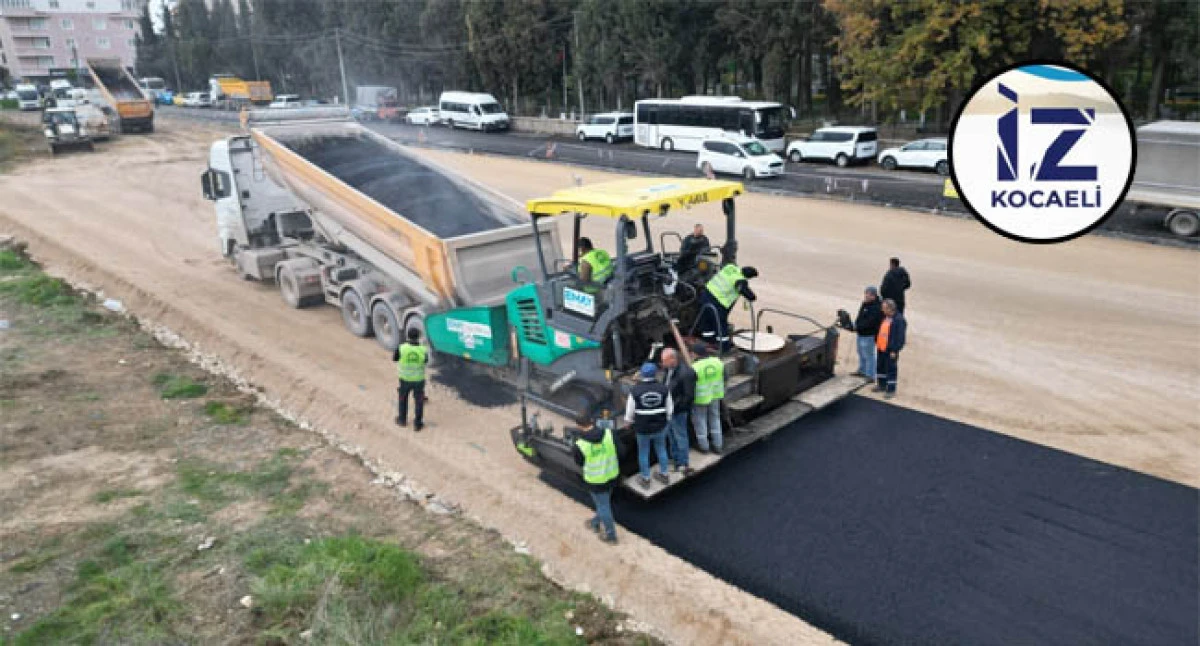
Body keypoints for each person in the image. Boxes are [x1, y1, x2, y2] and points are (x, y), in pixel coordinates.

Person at [570, 414, 620, 544]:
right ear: (592, 421)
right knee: (603, 504)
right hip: (612, 476)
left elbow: (579, 463)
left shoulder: (579, 445)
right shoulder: (610, 434)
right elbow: (622, 451)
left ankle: (611, 536)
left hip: (596, 481)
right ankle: (595, 523)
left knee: (604, 506)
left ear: (579, 426)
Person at [624, 362, 673, 487]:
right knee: (661, 449)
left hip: (642, 428)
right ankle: (664, 474)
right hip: (660, 426)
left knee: (643, 452)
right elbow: (670, 409)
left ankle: (645, 478)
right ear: (655, 373)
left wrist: (628, 423)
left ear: (641, 374)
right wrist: (666, 420)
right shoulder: (664, 388)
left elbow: (629, 412)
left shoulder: (635, 391)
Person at [700, 264, 758, 350]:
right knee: (720, 324)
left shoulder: (730, 267)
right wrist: (752, 297)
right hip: (718, 302)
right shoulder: (739, 280)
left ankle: (708, 340)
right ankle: (724, 346)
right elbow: (746, 293)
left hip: (706, 294)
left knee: (707, 320)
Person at [661, 348, 696, 476]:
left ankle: (683, 463)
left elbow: (688, 396)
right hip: (669, 411)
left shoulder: (686, 373)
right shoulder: (669, 370)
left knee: (680, 436)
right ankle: (675, 459)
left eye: (664, 361)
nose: (662, 364)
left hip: (678, 412)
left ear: (673, 359)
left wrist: (673, 408)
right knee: (671, 436)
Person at [838, 286, 884, 378]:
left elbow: (870, 322)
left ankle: (870, 375)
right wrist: (855, 325)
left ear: (873, 296)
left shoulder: (876, 307)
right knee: (861, 353)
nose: (866, 296)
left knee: (869, 355)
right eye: (865, 294)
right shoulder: (865, 304)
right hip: (861, 333)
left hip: (869, 335)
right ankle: (862, 370)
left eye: (868, 294)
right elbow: (860, 317)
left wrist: (857, 327)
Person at [690, 343, 725, 454]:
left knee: (700, 421)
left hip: (700, 398)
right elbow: (725, 377)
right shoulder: (718, 362)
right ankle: (718, 444)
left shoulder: (695, 367)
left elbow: (690, 385)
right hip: (715, 395)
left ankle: (704, 446)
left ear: (695, 354)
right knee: (715, 418)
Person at [393, 328, 429, 431]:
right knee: (419, 402)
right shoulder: (423, 349)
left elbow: (394, 358)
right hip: (419, 380)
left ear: (408, 336)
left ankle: (402, 420)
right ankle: (417, 424)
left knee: (402, 399)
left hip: (405, 379)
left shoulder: (402, 348)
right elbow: (426, 361)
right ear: (418, 337)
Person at [875, 298, 907, 399]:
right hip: (881, 347)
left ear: (890, 308)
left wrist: (894, 350)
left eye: (884, 308)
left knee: (891, 369)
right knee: (881, 366)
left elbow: (900, 338)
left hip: (890, 350)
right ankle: (881, 384)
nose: (882, 310)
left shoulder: (899, 320)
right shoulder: (885, 317)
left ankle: (891, 389)